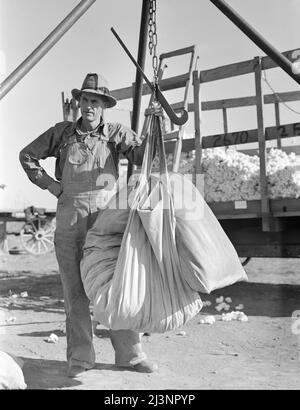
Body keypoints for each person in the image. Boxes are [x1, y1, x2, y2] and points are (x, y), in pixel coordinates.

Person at [19, 73, 158, 378]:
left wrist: (153, 126)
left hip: (106, 219)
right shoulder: (62, 133)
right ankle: (81, 358)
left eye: (95, 101)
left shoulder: (115, 133)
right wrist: (52, 186)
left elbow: (146, 156)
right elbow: (27, 155)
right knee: (75, 290)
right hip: (69, 219)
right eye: (85, 100)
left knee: (116, 285)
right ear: (78, 102)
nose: (89, 106)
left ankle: (130, 355)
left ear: (104, 105)